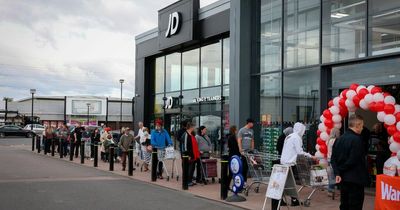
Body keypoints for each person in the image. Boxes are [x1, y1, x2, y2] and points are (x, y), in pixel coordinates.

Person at [331, 114, 369, 210]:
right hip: (355, 179)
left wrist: (338, 172)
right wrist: (340, 170)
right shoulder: (357, 140)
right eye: (362, 125)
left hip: (343, 178)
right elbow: (353, 160)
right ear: (358, 125)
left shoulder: (339, 139)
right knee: (355, 206)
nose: (362, 128)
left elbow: (333, 159)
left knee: (344, 205)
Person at [280, 122, 313, 206]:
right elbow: (299, 152)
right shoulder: (297, 138)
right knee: (291, 183)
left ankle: (284, 200)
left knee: (285, 183)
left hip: (284, 161)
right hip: (290, 163)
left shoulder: (289, 136)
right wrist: (310, 156)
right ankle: (294, 200)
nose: (304, 132)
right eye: (303, 130)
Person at [181, 122, 200, 186]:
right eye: (193, 127)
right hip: (188, 155)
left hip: (192, 154)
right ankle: (188, 181)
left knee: (192, 168)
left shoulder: (191, 134)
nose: (194, 128)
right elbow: (185, 145)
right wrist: (187, 155)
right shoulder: (186, 134)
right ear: (191, 127)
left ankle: (190, 180)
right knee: (189, 168)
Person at [237, 118, 255, 184]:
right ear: (249, 123)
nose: (253, 124)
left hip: (249, 151)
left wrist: (252, 149)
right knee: (243, 166)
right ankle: (242, 181)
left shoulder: (252, 131)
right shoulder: (242, 130)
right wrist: (240, 149)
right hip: (244, 151)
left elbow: (252, 140)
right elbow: (239, 140)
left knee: (247, 166)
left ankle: (245, 181)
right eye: (252, 123)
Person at [327, 127, 340, 196]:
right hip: (333, 159)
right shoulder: (335, 140)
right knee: (333, 176)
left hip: (329, 159)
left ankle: (331, 190)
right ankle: (330, 191)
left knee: (331, 176)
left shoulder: (329, 140)